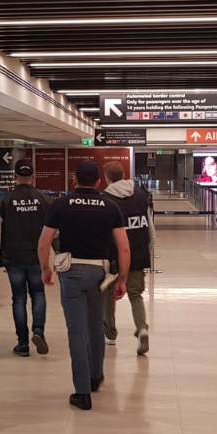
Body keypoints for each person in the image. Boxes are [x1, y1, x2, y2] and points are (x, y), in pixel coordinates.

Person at [38, 160, 131, 411]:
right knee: (95, 326)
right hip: (100, 273)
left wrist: (46, 269)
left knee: (76, 331)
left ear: (74, 180)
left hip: (71, 272)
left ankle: (82, 392)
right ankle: (95, 376)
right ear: (99, 182)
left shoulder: (61, 204)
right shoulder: (110, 206)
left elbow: (44, 241)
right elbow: (123, 246)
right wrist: (122, 278)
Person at [0, 159, 50, 357]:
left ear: (15, 177)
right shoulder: (43, 199)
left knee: (18, 298)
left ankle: (23, 343)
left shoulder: (5, 199)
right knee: (38, 294)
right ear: (33, 176)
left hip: (13, 257)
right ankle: (39, 331)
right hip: (36, 256)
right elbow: (52, 229)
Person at [102, 161, 152, 355]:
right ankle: (142, 328)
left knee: (108, 295)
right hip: (138, 252)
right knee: (135, 294)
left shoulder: (105, 198)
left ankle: (110, 334)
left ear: (106, 177)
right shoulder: (140, 193)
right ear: (123, 174)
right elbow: (148, 223)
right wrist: (149, 246)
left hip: (113, 254)